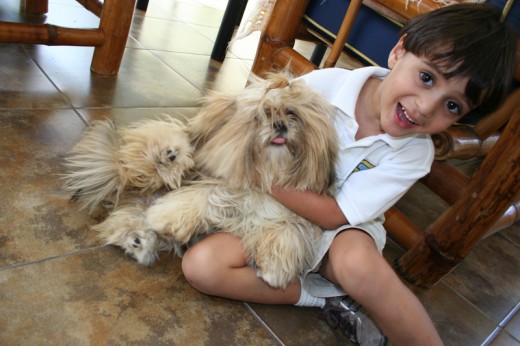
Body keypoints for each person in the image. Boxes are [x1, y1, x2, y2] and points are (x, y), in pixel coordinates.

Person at [180, 3, 517, 345]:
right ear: (398, 53)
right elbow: (253, 128)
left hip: (339, 228)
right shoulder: (326, 84)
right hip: (271, 216)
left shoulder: (416, 153)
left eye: (452, 106)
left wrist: (259, 172)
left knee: (357, 263)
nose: (425, 107)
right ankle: (318, 296)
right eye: (427, 78)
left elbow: (335, 215)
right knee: (202, 268)